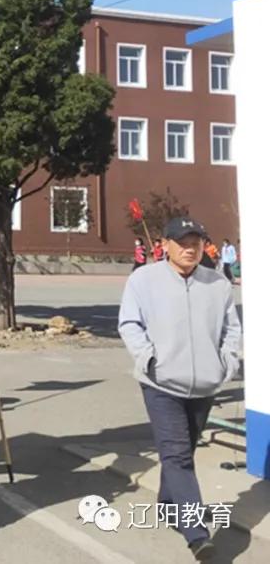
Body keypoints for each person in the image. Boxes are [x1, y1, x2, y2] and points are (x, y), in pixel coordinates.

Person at [118, 216, 242, 561]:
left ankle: (168, 503)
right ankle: (196, 534)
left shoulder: (217, 284)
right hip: (161, 384)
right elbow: (129, 323)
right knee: (176, 454)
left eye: (196, 242)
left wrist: (226, 363)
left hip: (204, 385)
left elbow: (232, 330)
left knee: (184, 450)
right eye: (183, 242)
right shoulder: (144, 280)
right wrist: (148, 358)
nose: (190, 249)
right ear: (166, 245)